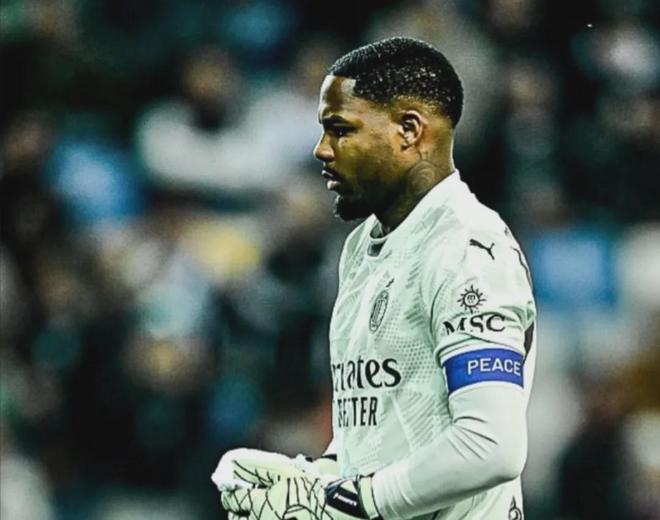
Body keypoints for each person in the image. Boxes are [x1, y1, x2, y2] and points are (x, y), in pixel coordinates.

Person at [214, 36, 536, 520]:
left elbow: (491, 447)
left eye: (340, 129)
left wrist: (352, 501)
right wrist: (310, 484)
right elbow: (375, 438)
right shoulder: (362, 247)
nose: (322, 150)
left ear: (409, 130)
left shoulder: (467, 249)